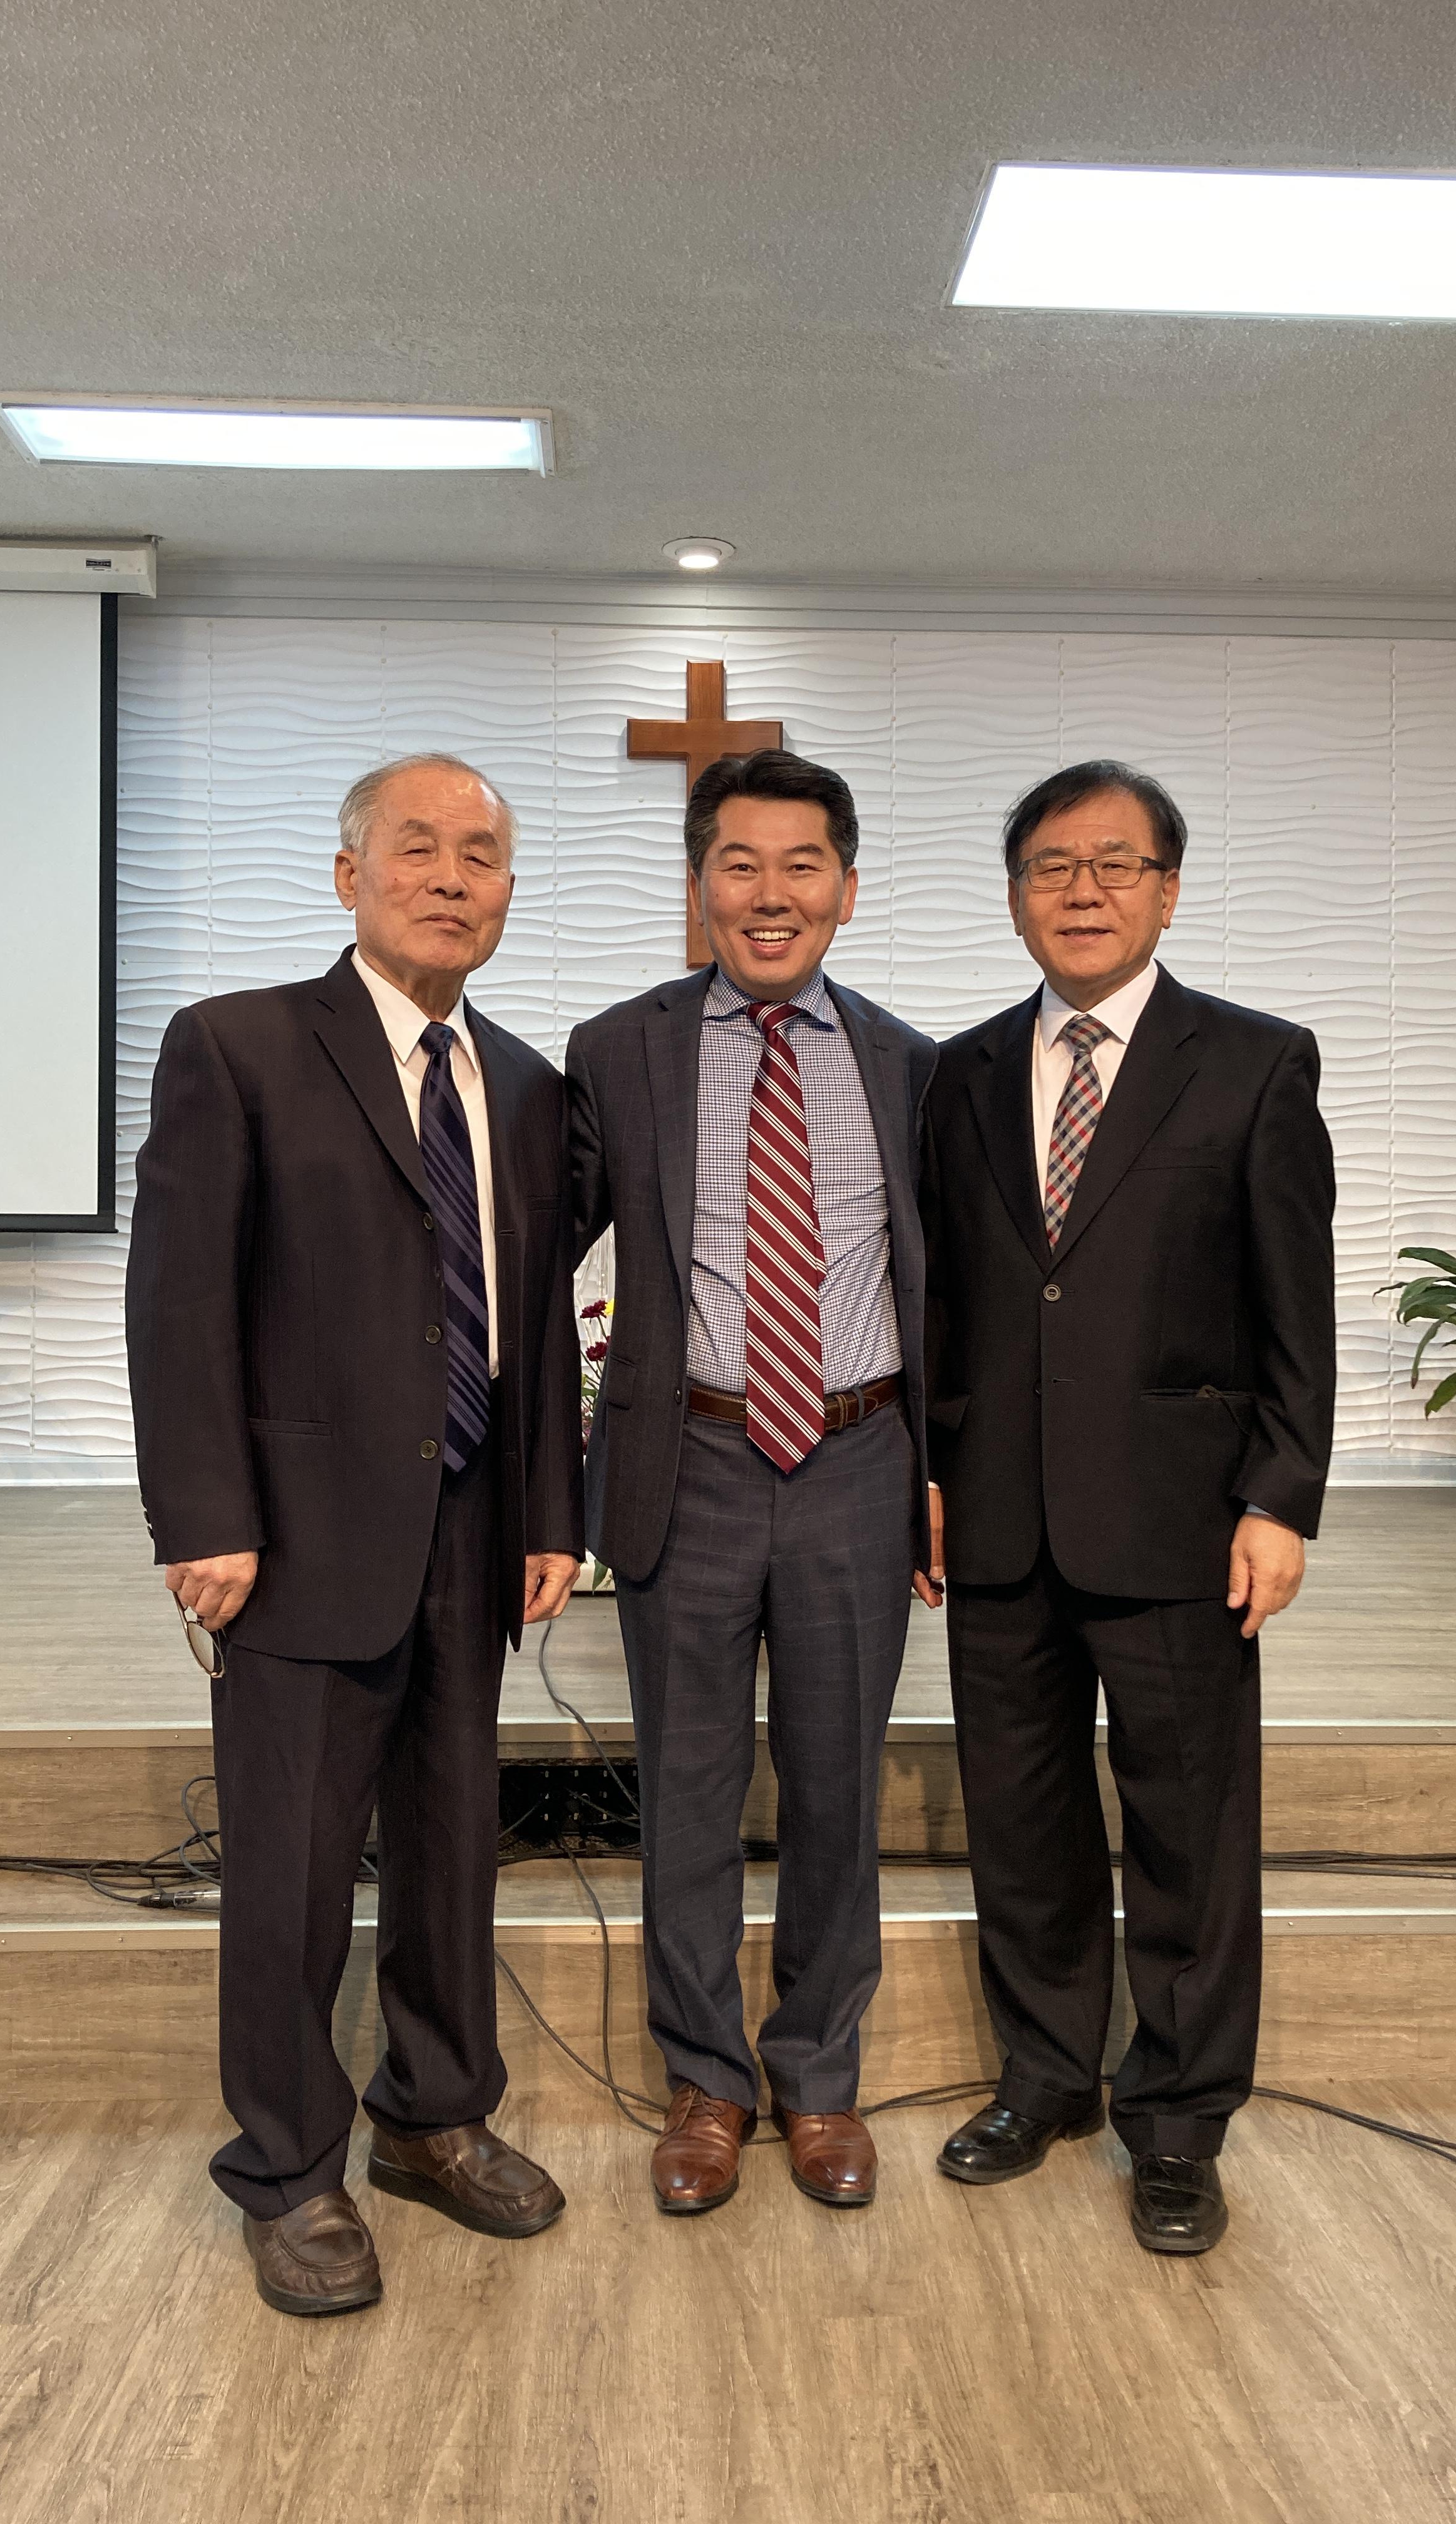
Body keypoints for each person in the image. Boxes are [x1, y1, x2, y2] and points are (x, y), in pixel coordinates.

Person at [125, 753, 584, 2316]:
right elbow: (179, 1300)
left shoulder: (524, 1084)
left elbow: (531, 1319)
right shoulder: (238, 1045)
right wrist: (206, 1516)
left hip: (476, 1523)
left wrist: (551, 1511)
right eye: (419, 848)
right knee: (294, 1873)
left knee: (453, 1853)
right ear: (348, 875)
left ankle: (436, 2120)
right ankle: (287, 2168)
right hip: (297, 1536)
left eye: (483, 855)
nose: (453, 878)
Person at [923, 759, 1335, 2255]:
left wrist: (1281, 1496)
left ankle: (1177, 2122)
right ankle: (1046, 2078)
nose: (1081, 891)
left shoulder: (1255, 1064)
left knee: (1189, 1837)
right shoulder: (958, 1073)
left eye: (1114, 865)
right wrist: (924, 1476)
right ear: (1014, 895)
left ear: (1168, 890)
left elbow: (1296, 1305)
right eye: (1051, 866)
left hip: (1182, 1520)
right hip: (996, 1520)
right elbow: (946, 1296)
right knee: (1022, 1823)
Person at [565, 749, 939, 2216]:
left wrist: (947, 1475)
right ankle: (707, 2082)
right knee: (690, 1790)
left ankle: (820, 2078)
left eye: (801, 865)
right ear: (700, 882)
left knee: (839, 1788)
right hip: (694, 1457)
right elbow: (532, 1251)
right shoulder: (622, 1049)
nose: (770, 893)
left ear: (847, 886)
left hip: (859, 1456)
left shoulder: (911, 1063)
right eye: (740, 863)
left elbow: (952, 1288)